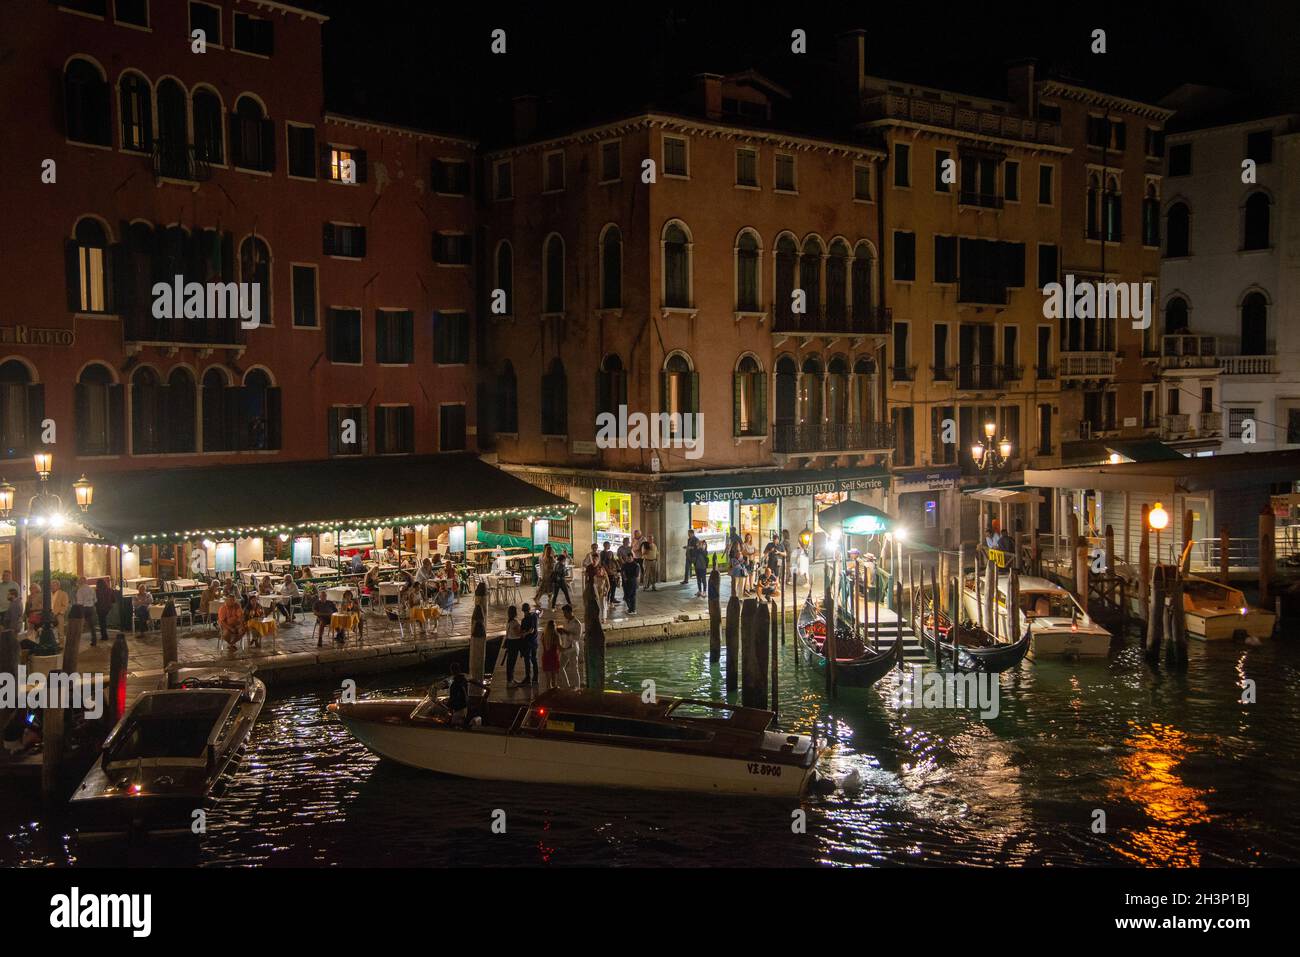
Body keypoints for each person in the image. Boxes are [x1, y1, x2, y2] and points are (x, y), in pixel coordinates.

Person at [557, 604, 583, 689]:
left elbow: (577, 638)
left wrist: (566, 632)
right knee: (560, 667)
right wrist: (562, 633)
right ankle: (566, 686)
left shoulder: (577, 623)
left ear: (570, 612)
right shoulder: (566, 621)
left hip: (572, 649)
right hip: (565, 647)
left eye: (565, 613)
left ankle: (577, 687)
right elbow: (565, 634)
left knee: (574, 669)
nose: (564, 615)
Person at [519, 602, 539, 685]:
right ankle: (535, 678)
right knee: (533, 660)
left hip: (528, 642)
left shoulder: (525, 620)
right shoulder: (534, 616)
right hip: (534, 642)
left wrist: (524, 634)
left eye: (525, 611)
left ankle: (528, 678)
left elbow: (531, 630)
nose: (525, 613)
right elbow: (538, 612)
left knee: (528, 660)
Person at [539, 620, 562, 690]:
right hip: (553, 657)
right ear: (554, 627)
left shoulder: (543, 635)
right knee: (554, 681)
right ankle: (553, 697)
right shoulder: (555, 636)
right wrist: (569, 647)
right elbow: (560, 648)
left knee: (548, 681)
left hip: (546, 657)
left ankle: (548, 696)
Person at [503, 605, 523, 686]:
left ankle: (511, 679)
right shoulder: (514, 622)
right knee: (512, 662)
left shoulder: (509, 622)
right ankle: (509, 681)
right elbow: (518, 633)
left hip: (510, 643)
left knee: (510, 662)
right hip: (514, 643)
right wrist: (527, 632)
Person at [93, 579, 115, 646]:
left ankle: (104, 636)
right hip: (107, 607)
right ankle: (104, 635)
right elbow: (113, 600)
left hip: (100, 608)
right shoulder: (109, 590)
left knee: (102, 621)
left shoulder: (97, 591)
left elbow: (95, 600)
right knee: (103, 620)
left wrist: (96, 605)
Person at [621, 549, 641, 615]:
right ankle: (630, 609)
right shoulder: (624, 565)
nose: (628, 559)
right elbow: (622, 572)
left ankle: (633, 609)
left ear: (632, 558)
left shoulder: (635, 565)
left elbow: (636, 575)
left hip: (632, 583)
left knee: (632, 596)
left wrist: (628, 577)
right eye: (627, 558)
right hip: (625, 583)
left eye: (630, 558)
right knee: (626, 597)